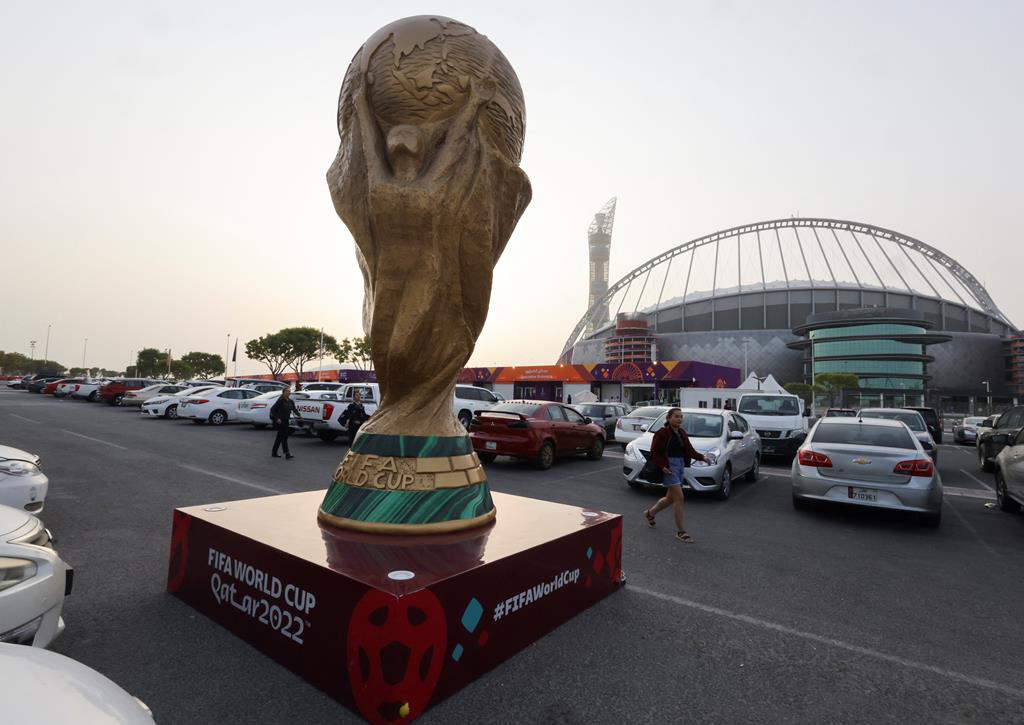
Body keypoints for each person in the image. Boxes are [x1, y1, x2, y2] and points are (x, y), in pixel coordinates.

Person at [643, 408, 708, 543]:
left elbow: (690, 450)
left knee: (669, 498)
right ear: (669, 418)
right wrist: (662, 466)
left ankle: (650, 513)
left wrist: (703, 458)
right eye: (676, 416)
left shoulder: (682, 433)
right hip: (669, 467)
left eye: (681, 417)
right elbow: (654, 452)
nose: (679, 419)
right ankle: (681, 532)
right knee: (679, 498)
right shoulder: (662, 433)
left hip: (680, 466)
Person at [270, 388, 299, 459]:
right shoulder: (281, 400)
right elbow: (273, 409)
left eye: (289, 391)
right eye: (287, 391)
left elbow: (294, 409)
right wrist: (277, 419)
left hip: (286, 421)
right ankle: (287, 453)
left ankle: (274, 452)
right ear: (283, 393)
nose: (288, 393)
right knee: (284, 436)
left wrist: (299, 415)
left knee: (279, 437)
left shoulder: (291, 401)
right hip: (280, 421)